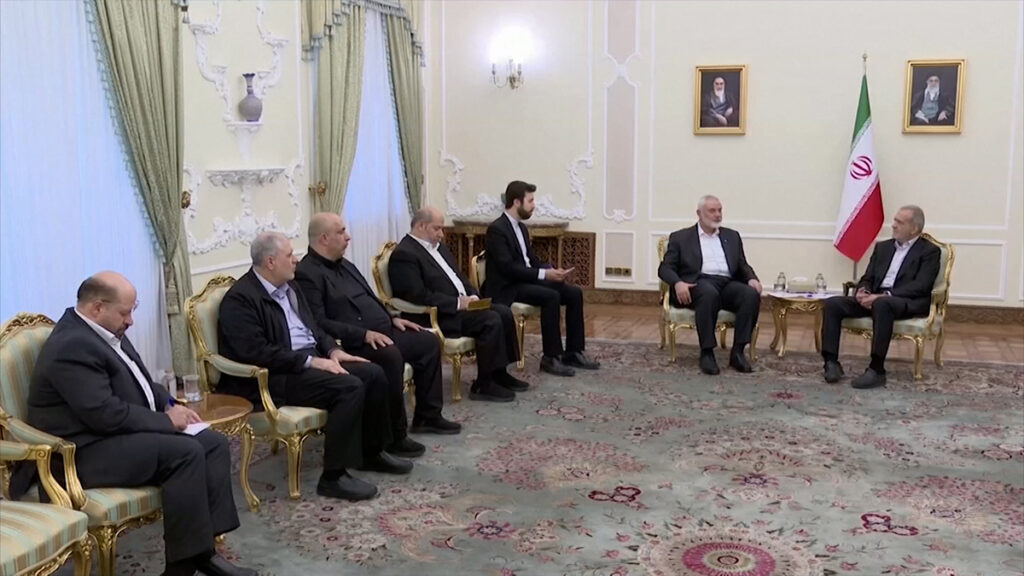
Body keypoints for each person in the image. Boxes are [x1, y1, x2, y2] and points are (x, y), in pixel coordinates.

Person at [17, 272, 255, 576]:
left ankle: (203, 551)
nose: (130, 321)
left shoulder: (105, 330)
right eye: (125, 312)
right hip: (79, 453)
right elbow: (104, 413)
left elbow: (140, 379)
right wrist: (166, 422)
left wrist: (170, 404)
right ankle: (181, 568)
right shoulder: (72, 346)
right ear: (98, 307)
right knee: (184, 452)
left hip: (108, 437)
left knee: (213, 443)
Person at [217, 232, 412, 502]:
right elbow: (255, 352)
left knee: (373, 373)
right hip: (276, 375)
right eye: (289, 255)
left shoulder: (291, 287)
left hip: (307, 360)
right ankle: (333, 477)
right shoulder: (241, 299)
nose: (296, 260)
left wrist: (333, 351)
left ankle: (371, 453)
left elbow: (315, 328)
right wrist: (311, 361)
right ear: (270, 262)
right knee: (348, 387)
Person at [296, 213, 460, 436]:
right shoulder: (306, 273)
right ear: (324, 238)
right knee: (390, 355)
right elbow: (318, 322)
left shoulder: (346, 265)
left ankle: (428, 417)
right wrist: (364, 334)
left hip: (383, 330)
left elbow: (371, 299)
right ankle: (394, 434)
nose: (348, 236)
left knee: (427, 341)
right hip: (353, 341)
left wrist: (393, 318)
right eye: (341, 232)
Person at [388, 206, 529, 402]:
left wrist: (473, 295)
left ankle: (499, 373)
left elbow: (458, 277)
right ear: (421, 226)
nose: (441, 234)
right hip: (438, 315)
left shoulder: (439, 247)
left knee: (504, 312)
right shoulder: (404, 254)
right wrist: (456, 303)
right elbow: (417, 295)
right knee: (490, 320)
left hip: (461, 308)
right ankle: (483, 384)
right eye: (437, 228)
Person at [482, 180, 600, 377]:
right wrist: (544, 275)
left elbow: (530, 261)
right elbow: (508, 268)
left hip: (525, 280)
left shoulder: (521, 228)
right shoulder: (497, 229)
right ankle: (550, 357)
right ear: (517, 202)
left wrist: (551, 271)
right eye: (530, 201)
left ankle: (573, 352)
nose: (534, 205)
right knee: (550, 296)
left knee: (574, 293)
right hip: (508, 286)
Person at [820, 205, 940, 389]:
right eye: (895, 221)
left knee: (883, 304)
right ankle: (831, 362)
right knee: (832, 304)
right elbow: (868, 277)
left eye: (899, 222)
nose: (893, 225)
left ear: (914, 228)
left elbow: (921, 286)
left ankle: (877, 369)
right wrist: (863, 290)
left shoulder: (929, 251)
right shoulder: (883, 247)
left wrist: (882, 296)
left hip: (904, 301)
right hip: (875, 298)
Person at [657, 195, 761, 375]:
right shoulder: (681, 237)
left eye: (719, 210)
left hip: (726, 283)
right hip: (696, 283)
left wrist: (752, 278)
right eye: (712, 211)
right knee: (708, 293)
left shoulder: (732, 236)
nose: (717, 214)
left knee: (750, 294)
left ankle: (738, 352)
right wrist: (678, 283)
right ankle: (707, 352)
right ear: (699, 213)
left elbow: (742, 265)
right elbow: (665, 268)